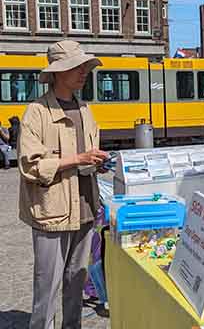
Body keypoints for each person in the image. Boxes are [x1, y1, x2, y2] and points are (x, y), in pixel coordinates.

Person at [18, 40, 109, 329]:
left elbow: (86, 157)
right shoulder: (36, 112)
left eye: (85, 66)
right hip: (52, 214)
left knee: (76, 284)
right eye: (77, 67)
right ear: (58, 72)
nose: (84, 72)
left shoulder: (85, 109)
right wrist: (77, 158)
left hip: (85, 209)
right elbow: (30, 165)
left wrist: (97, 162)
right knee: (47, 288)